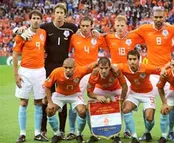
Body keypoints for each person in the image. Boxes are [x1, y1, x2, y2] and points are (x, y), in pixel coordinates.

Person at [133, 6, 174, 141]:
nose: (158, 19)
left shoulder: (171, 29)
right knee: (148, 104)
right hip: (152, 74)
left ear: (165, 17)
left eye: (161, 17)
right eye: (156, 17)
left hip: (168, 72)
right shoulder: (145, 29)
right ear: (152, 17)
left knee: (171, 105)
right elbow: (129, 36)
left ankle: (170, 131)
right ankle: (147, 131)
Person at [40, 3, 78, 140]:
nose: (60, 14)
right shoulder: (46, 27)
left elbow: (85, 33)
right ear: (54, 13)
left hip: (64, 68)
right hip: (49, 67)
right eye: (57, 12)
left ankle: (61, 130)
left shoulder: (72, 28)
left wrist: (96, 32)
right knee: (46, 98)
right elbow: (33, 32)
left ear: (65, 14)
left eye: (62, 12)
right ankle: (43, 129)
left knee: (63, 97)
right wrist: (20, 30)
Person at [69, 15, 107, 142]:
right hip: (78, 76)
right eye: (83, 26)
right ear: (80, 26)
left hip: (93, 76)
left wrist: (100, 33)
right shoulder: (74, 37)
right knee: (75, 104)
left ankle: (94, 132)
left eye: (87, 26)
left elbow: (109, 45)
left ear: (92, 26)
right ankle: (72, 131)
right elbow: (67, 51)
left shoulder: (97, 38)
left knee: (92, 105)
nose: (85, 28)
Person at [12, 10, 48, 142]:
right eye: (34, 18)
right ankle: (22, 134)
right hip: (25, 72)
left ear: (41, 20)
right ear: (30, 20)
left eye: (38, 18)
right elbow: (15, 55)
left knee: (38, 102)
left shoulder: (43, 33)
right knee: (23, 102)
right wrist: (16, 75)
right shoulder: (23, 35)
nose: (36, 20)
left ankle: (37, 133)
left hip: (40, 72)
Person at [44, 58, 95, 143]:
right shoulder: (56, 72)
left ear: (75, 67)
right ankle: (57, 134)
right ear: (63, 67)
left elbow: (94, 65)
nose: (68, 70)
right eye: (66, 67)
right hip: (60, 95)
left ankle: (78, 134)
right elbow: (47, 86)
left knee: (82, 111)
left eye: (70, 68)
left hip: (75, 95)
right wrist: (50, 102)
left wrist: (110, 65)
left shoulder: (81, 70)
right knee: (49, 110)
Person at [117, 50, 161, 143]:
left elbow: (161, 70)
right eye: (130, 59)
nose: (132, 61)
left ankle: (147, 132)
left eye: (134, 59)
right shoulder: (123, 67)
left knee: (149, 118)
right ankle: (134, 137)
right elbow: (111, 67)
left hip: (148, 94)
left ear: (139, 59)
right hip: (134, 93)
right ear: (127, 60)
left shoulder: (146, 67)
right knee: (125, 109)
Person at [86, 57, 128, 143]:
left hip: (115, 89)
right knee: (88, 107)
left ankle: (117, 135)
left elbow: (124, 86)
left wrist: (122, 100)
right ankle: (93, 134)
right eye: (101, 68)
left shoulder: (116, 71)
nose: (104, 71)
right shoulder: (94, 73)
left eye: (106, 68)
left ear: (110, 67)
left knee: (122, 106)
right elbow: (89, 92)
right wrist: (97, 97)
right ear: (98, 67)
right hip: (100, 90)